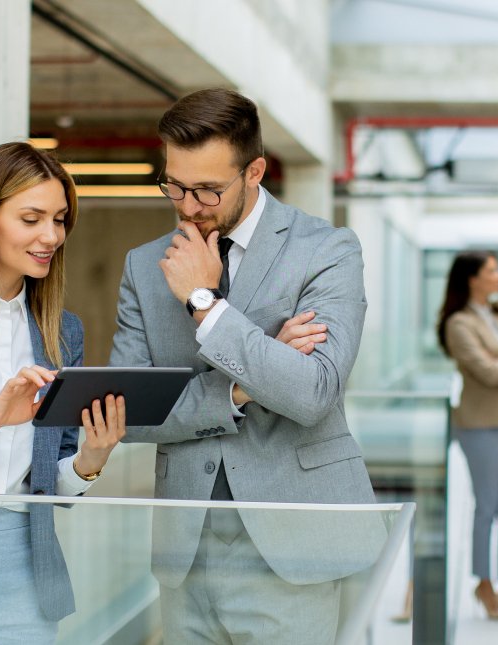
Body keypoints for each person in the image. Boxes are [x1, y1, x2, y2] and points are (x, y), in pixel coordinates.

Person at [110, 88, 381, 644]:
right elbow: (131, 412)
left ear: (255, 170)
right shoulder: (144, 266)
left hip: (294, 545)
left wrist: (205, 304)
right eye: (175, 186)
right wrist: (242, 389)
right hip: (185, 553)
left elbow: (312, 392)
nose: (188, 206)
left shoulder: (327, 250)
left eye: (208, 189)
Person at [0, 141, 125, 643]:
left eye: (59, 220)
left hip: (27, 571)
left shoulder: (63, 333)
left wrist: (89, 461)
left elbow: (48, 484)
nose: (51, 235)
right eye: (31, 218)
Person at [437, 250, 498, 627]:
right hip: (479, 425)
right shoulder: (459, 324)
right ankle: (485, 583)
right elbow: (491, 371)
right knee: (488, 507)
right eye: (492, 271)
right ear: (472, 279)